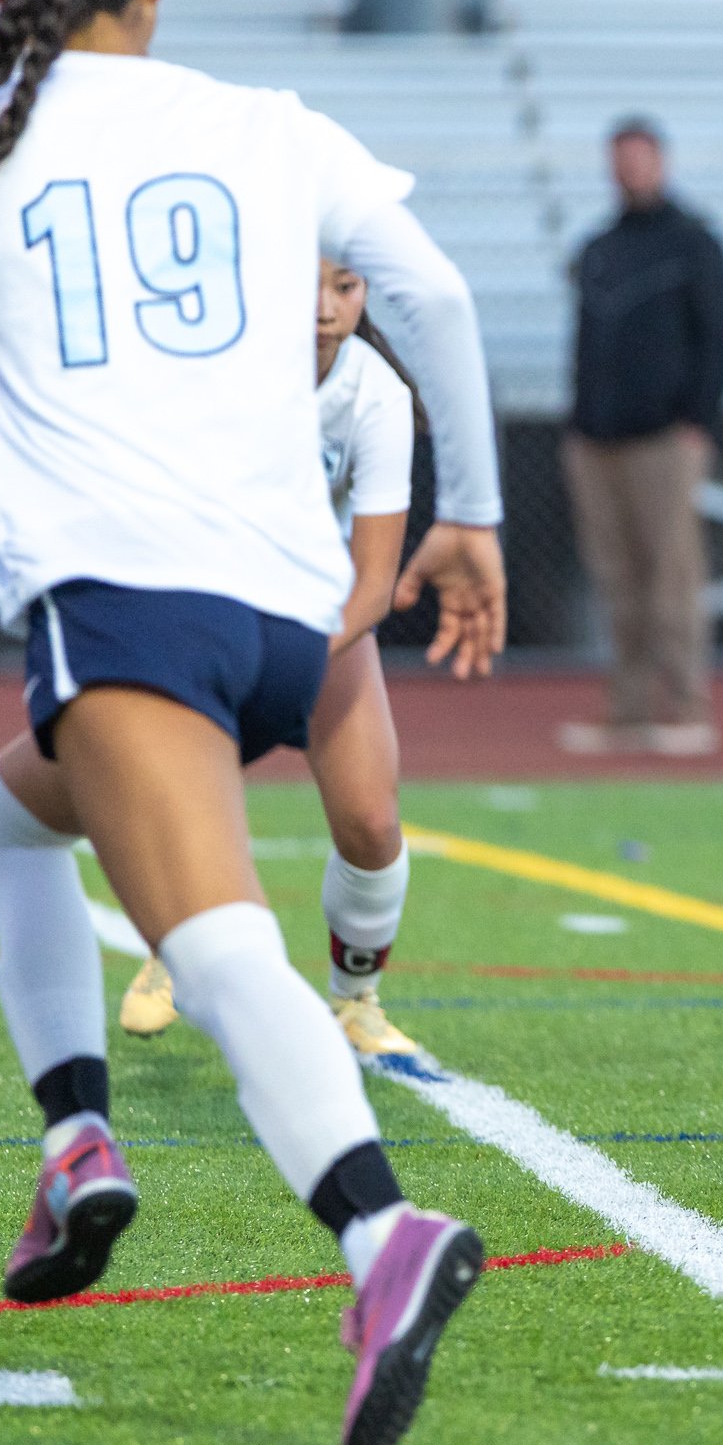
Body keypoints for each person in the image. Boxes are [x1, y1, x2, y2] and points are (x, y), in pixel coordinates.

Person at [0, 0, 504, 1445]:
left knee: (211, 952)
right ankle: (75, 1138)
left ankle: (382, 1235)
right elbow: (434, 289)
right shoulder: (265, 123)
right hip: (289, 622)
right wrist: (475, 517)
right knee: (4, 822)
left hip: (128, 606)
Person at [116, 259, 425, 1058]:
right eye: (306, 283)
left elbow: (373, 586)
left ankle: (355, 1001)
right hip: (207, 594)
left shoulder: (377, 394)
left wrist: (289, 657)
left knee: (371, 821)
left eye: (346, 286)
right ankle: (171, 942)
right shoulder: (216, 368)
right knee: (177, 791)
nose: (325, 308)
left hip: (321, 612)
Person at [556, 115, 723, 758]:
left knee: (672, 577)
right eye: (620, 160)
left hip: (663, 438)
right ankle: (628, 710)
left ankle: (687, 706)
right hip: (596, 439)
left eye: (639, 158)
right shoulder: (599, 248)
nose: (629, 171)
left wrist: (699, 421)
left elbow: (720, 333)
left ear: (661, 161)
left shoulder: (694, 244)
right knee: (617, 579)